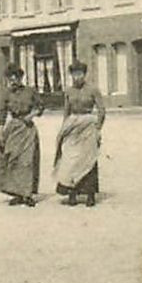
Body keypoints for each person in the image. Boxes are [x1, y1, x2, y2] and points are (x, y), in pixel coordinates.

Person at [53, 59, 105, 207]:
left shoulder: (93, 90)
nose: (77, 77)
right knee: (70, 160)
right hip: (72, 126)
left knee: (88, 159)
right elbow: (66, 111)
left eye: (80, 74)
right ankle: (72, 193)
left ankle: (90, 195)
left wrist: (98, 128)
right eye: (74, 74)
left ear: (85, 74)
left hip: (88, 125)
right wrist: (63, 130)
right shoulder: (69, 91)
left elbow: (102, 110)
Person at [0, 64, 42, 207]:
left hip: (27, 128)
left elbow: (40, 107)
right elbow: (1, 115)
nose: (13, 81)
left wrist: (31, 115)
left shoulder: (30, 91)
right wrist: (0, 134)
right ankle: (16, 194)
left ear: (21, 78)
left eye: (16, 78)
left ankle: (27, 194)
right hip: (12, 129)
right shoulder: (5, 94)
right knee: (12, 159)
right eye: (10, 79)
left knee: (27, 161)